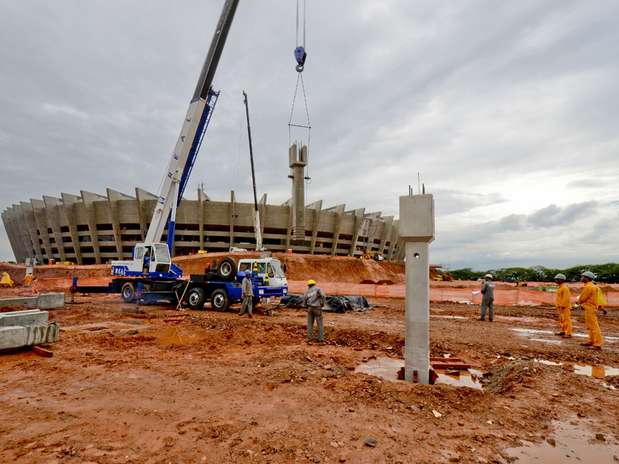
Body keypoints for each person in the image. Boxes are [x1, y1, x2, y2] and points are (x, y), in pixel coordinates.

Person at [577, 271, 603, 350]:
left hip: (590, 308)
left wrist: (578, 303)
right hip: (589, 307)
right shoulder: (591, 286)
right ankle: (591, 341)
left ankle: (597, 344)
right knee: (590, 326)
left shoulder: (589, 287)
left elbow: (583, 298)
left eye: (583, 277)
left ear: (587, 278)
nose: (581, 278)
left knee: (594, 326)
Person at [553, 273, 572, 337]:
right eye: (555, 279)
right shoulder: (560, 287)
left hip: (564, 307)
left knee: (566, 320)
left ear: (562, 280)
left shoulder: (564, 288)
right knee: (562, 320)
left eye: (557, 279)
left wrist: (563, 306)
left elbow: (566, 298)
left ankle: (568, 333)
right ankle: (563, 331)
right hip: (560, 307)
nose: (556, 281)